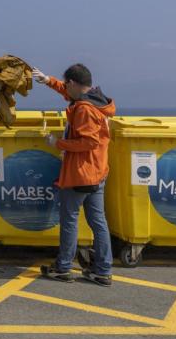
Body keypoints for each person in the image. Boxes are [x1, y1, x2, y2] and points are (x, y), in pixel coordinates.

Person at [33, 63, 116, 287]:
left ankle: (63, 267)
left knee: (69, 220)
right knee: (98, 221)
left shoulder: (83, 110)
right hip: (98, 171)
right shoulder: (96, 100)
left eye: (66, 85)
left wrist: (57, 143)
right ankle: (103, 270)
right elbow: (69, 93)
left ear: (73, 83)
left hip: (81, 173)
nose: (65, 89)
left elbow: (89, 142)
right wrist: (48, 80)